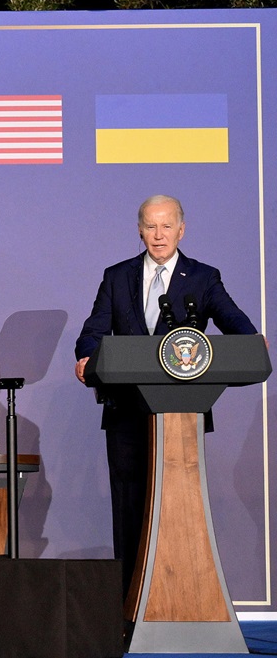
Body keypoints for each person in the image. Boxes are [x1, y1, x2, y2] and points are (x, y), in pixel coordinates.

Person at [74, 195, 257, 595]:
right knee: (129, 508)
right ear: (139, 230)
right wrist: (87, 354)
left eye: (166, 226)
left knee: (179, 510)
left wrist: (252, 343)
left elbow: (239, 329)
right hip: (126, 414)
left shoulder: (204, 278)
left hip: (181, 415)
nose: (159, 235)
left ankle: (181, 598)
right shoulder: (116, 276)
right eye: (150, 226)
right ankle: (128, 604)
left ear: (181, 229)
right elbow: (93, 331)